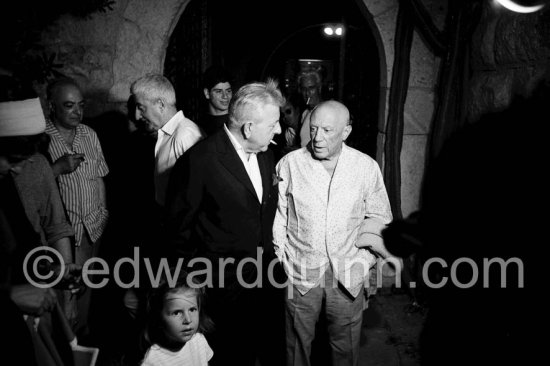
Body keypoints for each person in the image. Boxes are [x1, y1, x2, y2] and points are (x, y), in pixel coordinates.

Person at [166, 79, 285, 366]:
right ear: (248, 128)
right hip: (222, 290)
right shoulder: (199, 160)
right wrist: (190, 287)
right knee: (230, 357)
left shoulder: (268, 152)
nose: (279, 130)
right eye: (273, 124)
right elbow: (178, 231)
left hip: (265, 280)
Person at [273, 100, 393, 366]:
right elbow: (278, 216)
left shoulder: (366, 167)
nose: (317, 138)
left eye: (327, 130)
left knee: (345, 349)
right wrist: (284, 258)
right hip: (300, 272)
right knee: (296, 348)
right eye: (314, 129)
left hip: (347, 274)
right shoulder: (289, 164)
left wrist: (364, 263)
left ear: (346, 132)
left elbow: (380, 218)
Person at [0, 93, 79, 366]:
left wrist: (51, 272)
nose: (18, 169)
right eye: (11, 158)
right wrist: (10, 296)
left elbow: (38, 233)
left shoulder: (14, 175)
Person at [45, 77, 109, 335]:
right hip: (62, 235)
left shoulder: (89, 134)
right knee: (63, 299)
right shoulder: (41, 138)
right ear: (52, 106)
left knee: (85, 294)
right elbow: (31, 188)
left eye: (80, 105)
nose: (77, 112)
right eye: (69, 106)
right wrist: (58, 168)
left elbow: (100, 177)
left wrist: (103, 214)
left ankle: (82, 347)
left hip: (92, 228)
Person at [130, 74, 204, 208]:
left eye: (141, 108)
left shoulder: (185, 135)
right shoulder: (165, 134)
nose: (137, 116)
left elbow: (200, 194)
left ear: (161, 105)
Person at [140, 270, 214, 366]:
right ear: (158, 317)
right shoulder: (152, 359)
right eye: (177, 312)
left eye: (192, 310)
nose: (188, 320)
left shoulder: (199, 340)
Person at [199, 65, 234, 136]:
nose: (225, 96)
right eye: (219, 91)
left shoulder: (237, 122)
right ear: (207, 93)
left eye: (228, 91)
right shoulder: (199, 126)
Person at [297, 70, 324, 148]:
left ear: (319, 88)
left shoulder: (328, 112)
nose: (307, 93)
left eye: (311, 88)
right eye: (303, 89)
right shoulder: (305, 113)